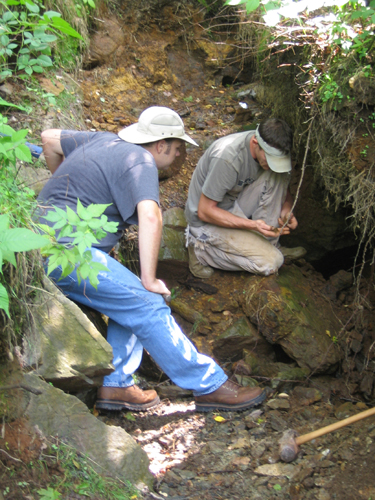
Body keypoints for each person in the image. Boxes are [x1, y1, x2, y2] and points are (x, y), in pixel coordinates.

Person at [36, 106, 266, 413]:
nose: (178, 157)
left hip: (40, 242)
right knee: (147, 300)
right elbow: (151, 216)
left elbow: (49, 139)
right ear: (160, 145)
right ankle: (209, 385)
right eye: (178, 149)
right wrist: (149, 279)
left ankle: (117, 386)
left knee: (128, 301)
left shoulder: (101, 140)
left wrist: (65, 194)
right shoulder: (140, 161)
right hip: (66, 252)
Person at [184, 118, 306, 279]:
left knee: (277, 176)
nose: (271, 164)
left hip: (233, 202)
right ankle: (201, 251)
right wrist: (253, 225)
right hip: (206, 222)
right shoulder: (228, 158)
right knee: (272, 262)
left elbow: (283, 190)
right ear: (255, 142)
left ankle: (270, 244)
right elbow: (204, 212)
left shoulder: (272, 146)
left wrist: (286, 210)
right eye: (270, 160)